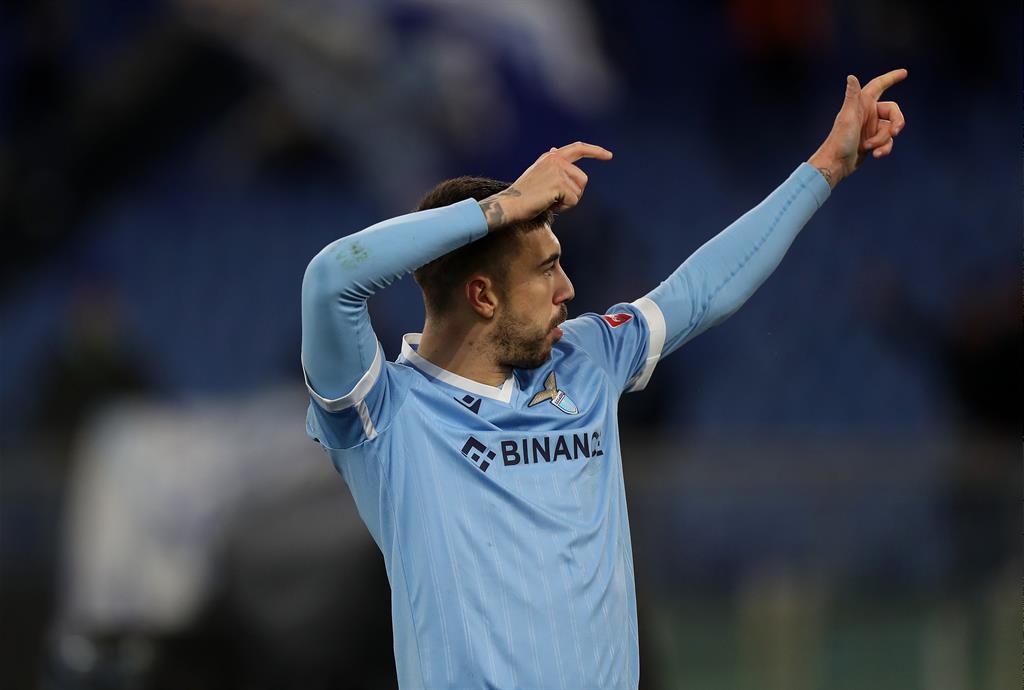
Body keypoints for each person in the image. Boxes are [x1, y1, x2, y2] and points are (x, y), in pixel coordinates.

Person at [301, 69, 907, 690]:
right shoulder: (385, 414)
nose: (568, 290)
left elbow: (702, 291)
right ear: (482, 296)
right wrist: (504, 207)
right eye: (547, 269)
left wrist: (826, 167)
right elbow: (331, 279)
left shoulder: (586, 358)